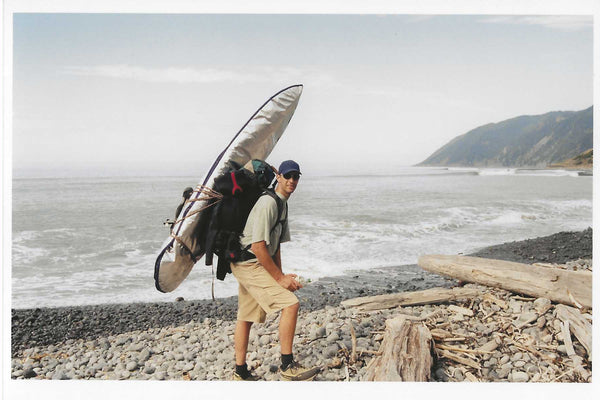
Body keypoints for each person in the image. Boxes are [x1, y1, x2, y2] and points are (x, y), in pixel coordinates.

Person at [230, 160, 319, 381]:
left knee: (246, 315)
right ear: (278, 177)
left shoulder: (282, 204)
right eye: (287, 176)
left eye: (296, 177)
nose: (291, 181)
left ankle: (239, 372)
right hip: (248, 262)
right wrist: (278, 278)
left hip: (253, 262)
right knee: (291, 304)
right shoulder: (268, 203)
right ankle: (287, 366)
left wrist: (281, 274)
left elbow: (275, 245)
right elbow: (258, 246)